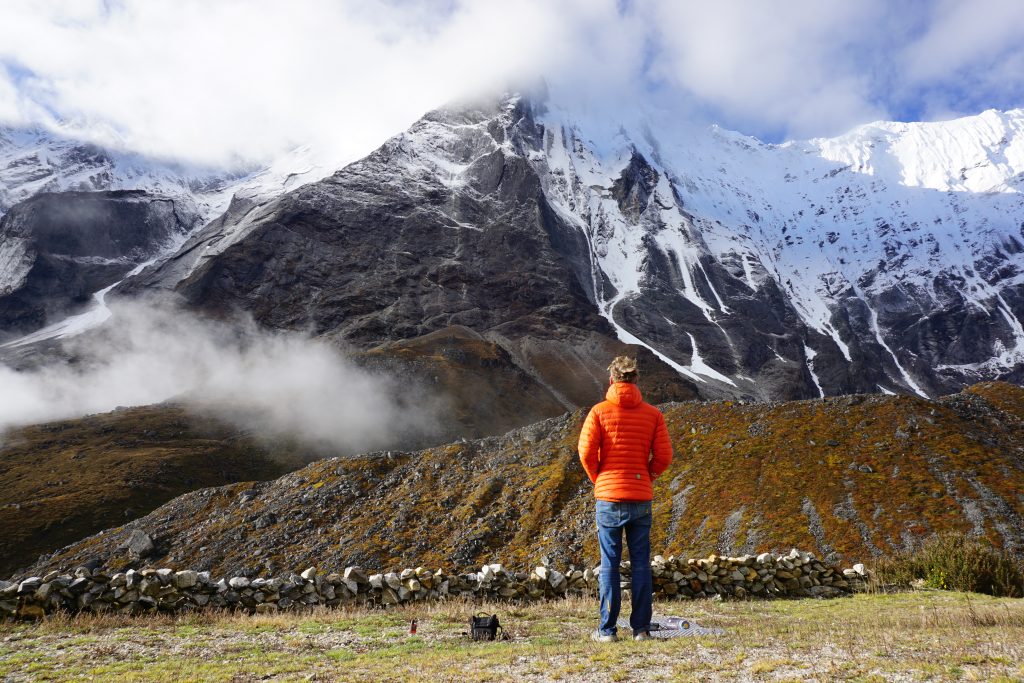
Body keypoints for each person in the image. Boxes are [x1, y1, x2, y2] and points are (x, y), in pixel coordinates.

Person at [578, 356, 673, 642]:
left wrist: (600, 478)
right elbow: (664, 456)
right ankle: (641, 629)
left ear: (612, 380)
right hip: (640, 496)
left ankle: (607, 631)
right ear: (635, 380)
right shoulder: (653, 414)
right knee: (641, 563)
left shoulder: (598, 412)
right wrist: (648, 475)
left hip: (608, 498)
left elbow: (585, 453)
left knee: (610, 564)